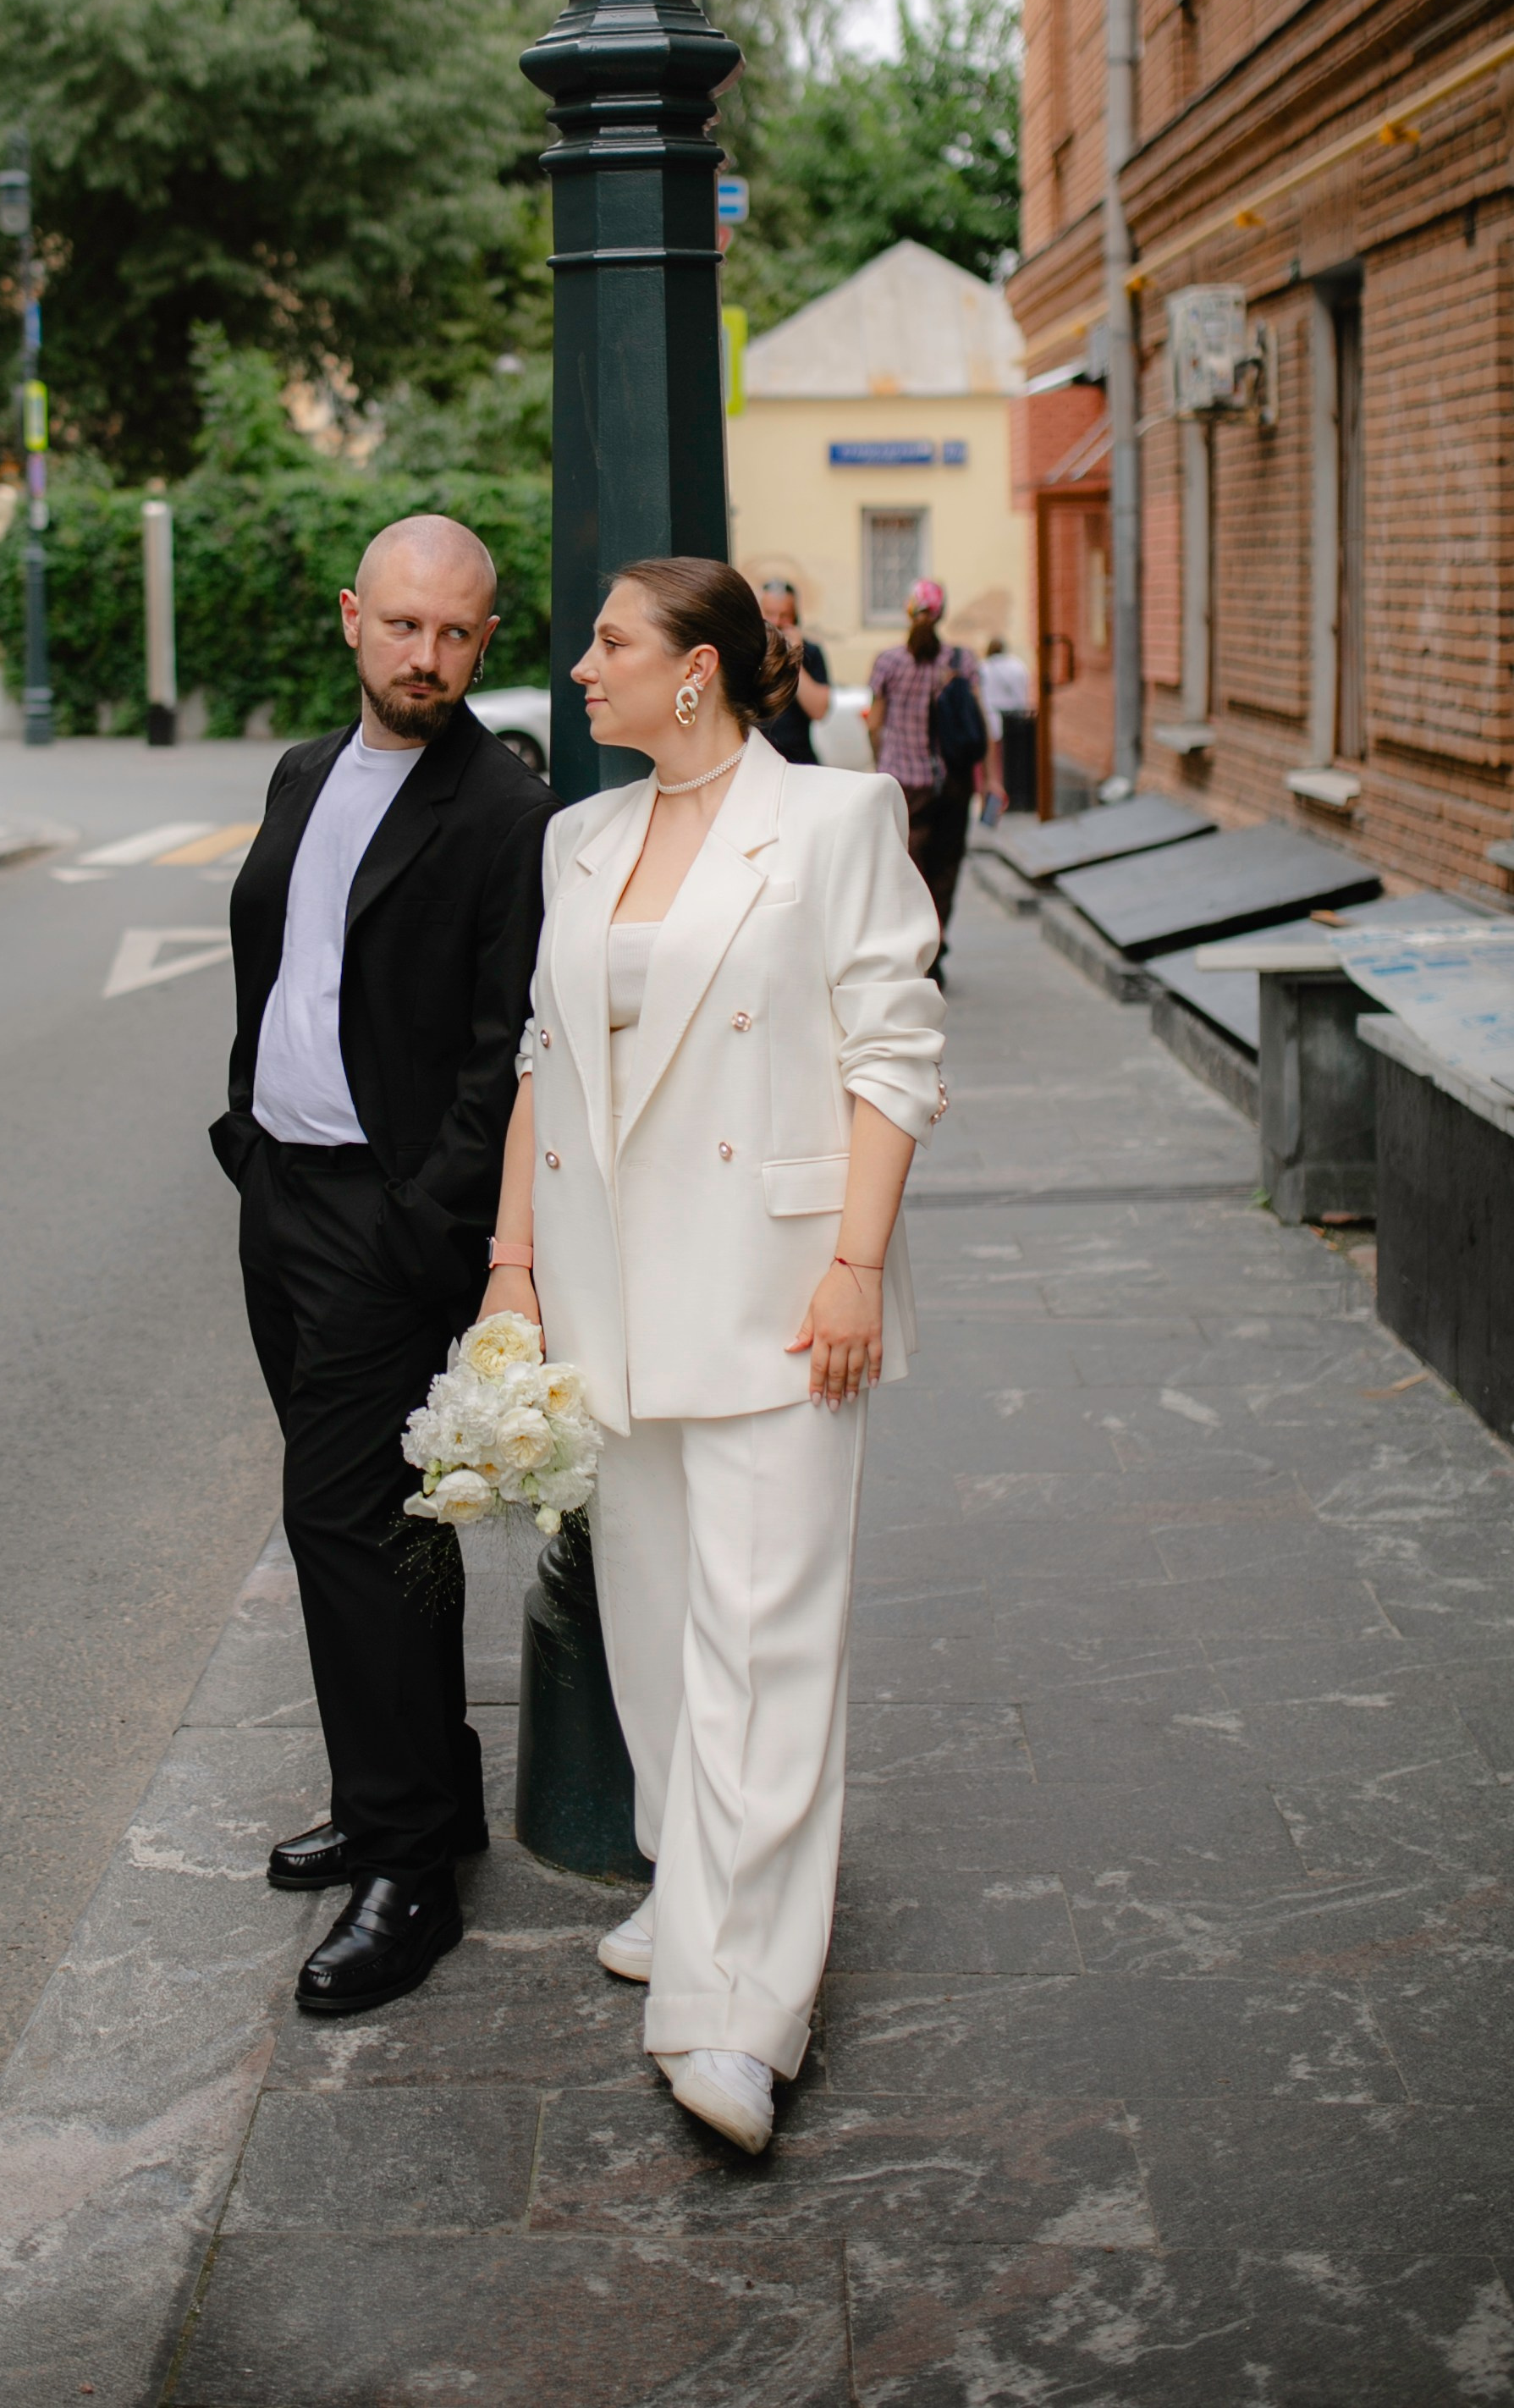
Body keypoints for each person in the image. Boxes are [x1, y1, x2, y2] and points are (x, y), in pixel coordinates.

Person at [482, 558, 944, 2154]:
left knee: (765, 1649)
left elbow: (894, 1053)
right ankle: (698, 1891)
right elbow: (547, 1056)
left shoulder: (827, 824)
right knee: (657, 1639)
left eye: (607, 642)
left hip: (776, 1294)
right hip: (612, 1302)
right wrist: (512, 1274)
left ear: (696, 672)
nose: (580, 664)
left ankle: (741, 2015)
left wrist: (853, 1271)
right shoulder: (578, 835)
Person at [212, 515, 557, 2018]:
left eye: (457, 636)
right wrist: (246, 1135)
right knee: (383, 1529)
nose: (426, 658)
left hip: (380, 1223)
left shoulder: (499, 808)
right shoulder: (301, 773)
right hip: (278, 1195)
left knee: (342, 1521)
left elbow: (502, 1053)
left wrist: (423, 1226)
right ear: (352, 620)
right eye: (403, 626)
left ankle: (409, 1872)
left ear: (485, 644)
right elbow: (282, 964)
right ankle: (410, 1794)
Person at [867, 581, 983, 972]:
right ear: (942, 614)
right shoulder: (960, 662)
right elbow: (981, 722)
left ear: (908, 611)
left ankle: (914, 949)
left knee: (907, 869)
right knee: (945, 867)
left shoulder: (889, 663)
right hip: (951, 782)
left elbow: (875, 723)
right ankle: (938, 942)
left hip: (903, 784)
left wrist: (879, 764)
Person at [756, 578, 832, 765]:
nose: (776, 622)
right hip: (758, 759)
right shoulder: (750, 651)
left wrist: (794, 658)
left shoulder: (811, 652)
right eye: (770, 614)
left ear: (795, 618)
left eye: (784, 615)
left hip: (799, 759)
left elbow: (819, 711)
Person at [977, 636, 1032, 824]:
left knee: (992, 773)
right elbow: (1023, 693)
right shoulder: (1017, 666)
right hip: (1015, 723)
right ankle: (1011, 804)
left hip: (990, 722)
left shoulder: (984, 668)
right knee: (1012, 767)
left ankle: (990, 812)